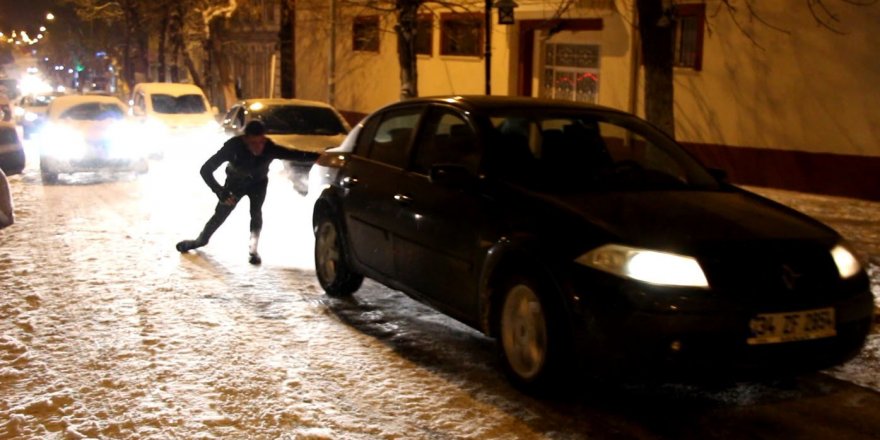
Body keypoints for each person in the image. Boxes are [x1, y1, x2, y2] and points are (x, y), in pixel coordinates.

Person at [176, 120, 312, 264]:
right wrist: (220, 191)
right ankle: (199, 241)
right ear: (245, 139)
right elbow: (205, 169)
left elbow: (296, 154)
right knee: (220, 215)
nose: (258, 147)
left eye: (261, 142)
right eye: (253, 143)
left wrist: (320, 157)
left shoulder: (269, 147)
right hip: (235, 185)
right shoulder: (233, 147)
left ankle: (253, 249)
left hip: (258, 184)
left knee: (256, 212)